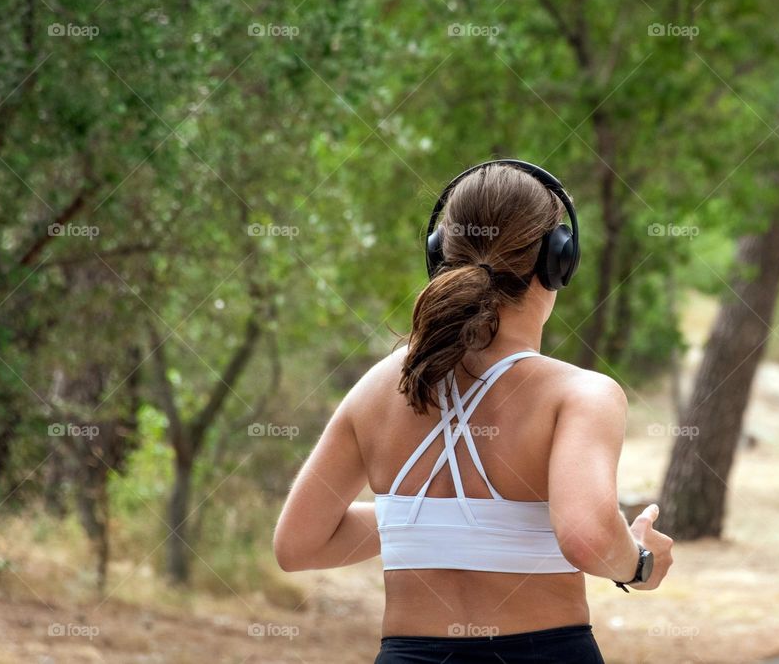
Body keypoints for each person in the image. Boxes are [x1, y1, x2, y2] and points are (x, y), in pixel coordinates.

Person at [273, 160, 674, 663]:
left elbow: (300, 544)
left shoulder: (381, 386)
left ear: (438, 253)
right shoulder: (581, 395)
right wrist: (639, 562)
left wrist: (421, 519)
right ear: (559, 260)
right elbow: (587, 538)